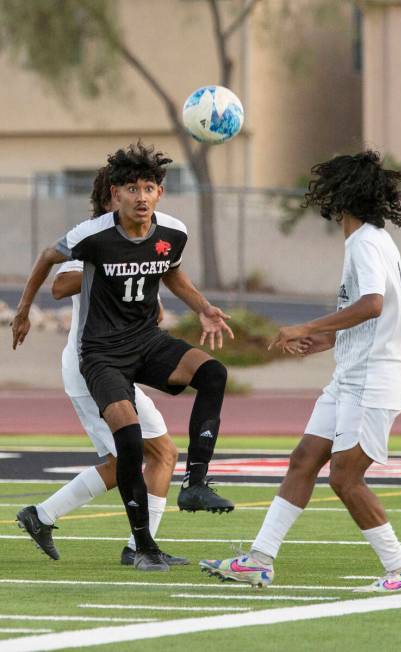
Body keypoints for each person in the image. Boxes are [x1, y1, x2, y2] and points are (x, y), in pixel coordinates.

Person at [200, 150, 401, 593]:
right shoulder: (371, 239)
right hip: (351, 374)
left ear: (340, 195)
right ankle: (259, 560)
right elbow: (372, 316)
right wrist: (328, 340)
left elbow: (374, 304)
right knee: (304, 459)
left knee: (344, 476)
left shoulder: (365, 242)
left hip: (374, 379)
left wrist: (308, 325)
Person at [12, 143, 234, 572]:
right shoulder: (91, 238)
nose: (139, 197)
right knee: (131, 452)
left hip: (138, 348)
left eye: (147, 188)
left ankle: (57, 519)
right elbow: (58, 284)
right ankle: (127, 542)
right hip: (90, 361)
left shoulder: (163, 233)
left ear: (158, 193)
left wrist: (173, 290)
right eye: (129, 190)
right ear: (112, 197)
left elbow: (166, 267)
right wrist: (113, 268)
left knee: (160, 452)